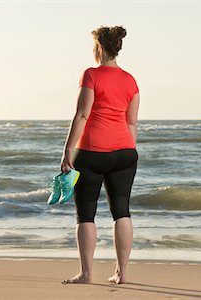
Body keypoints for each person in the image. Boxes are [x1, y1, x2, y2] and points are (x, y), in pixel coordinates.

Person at [60, 25, 140, 285]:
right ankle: (123, 273)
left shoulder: (91, 74)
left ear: (100, 48)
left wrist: (67, 150)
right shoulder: (131, 80)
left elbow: (82, 115)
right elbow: (132, 123)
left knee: (86, 214)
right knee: (122, 211)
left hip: (92, 153)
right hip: (125, 153)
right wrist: (128, 149)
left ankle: (86, 274)